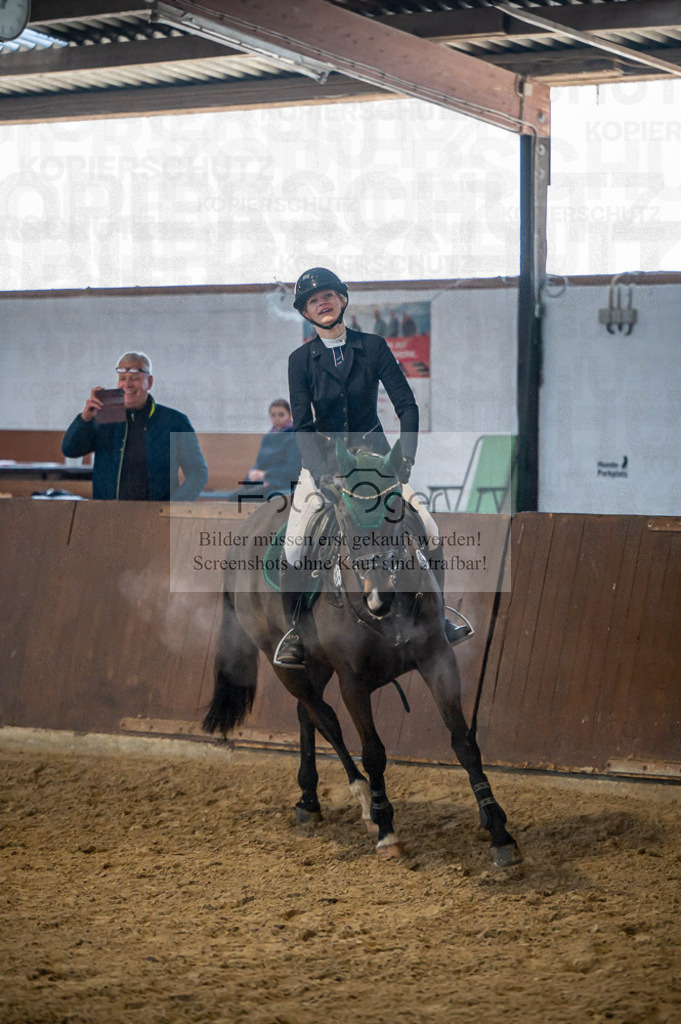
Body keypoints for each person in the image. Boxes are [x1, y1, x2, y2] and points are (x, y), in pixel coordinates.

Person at [274, 267, 471, 668]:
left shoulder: (374, 346)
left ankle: (441, 619)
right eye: (313, 301)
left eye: (328, 296)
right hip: (324, 463)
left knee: (429, 529)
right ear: (306, 312)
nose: (322, 303)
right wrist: (323, 471)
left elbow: (407, 405)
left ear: (342, 300)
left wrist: (406, 458)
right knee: (294, 545)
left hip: (379, 464)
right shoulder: (300, 360)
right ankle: (295, 631)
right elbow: (303, 424)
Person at [61, 351, 208, 501]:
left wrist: (173, 507)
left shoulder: (175, 421)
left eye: (134, 378)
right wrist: (84, 419)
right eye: (122, 378)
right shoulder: (105, 419)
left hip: (157, 518)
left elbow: (198, 473)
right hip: (108, 516)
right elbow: (70, 450)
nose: (127, 385)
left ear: (149, 382)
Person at [221, 399, 301, 502]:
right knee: (235, 495)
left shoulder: (293, 437)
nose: (277, 418)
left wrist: (267, 475)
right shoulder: (267, 438)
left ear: (290, 415)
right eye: (273, 415)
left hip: (279, 481)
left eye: (281, 415)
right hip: (263, 480)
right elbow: (259, 463)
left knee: (241, 498)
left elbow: (293, 469)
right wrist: (252, 474)